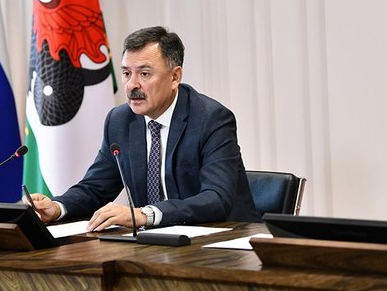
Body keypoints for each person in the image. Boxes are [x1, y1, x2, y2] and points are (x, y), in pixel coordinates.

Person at [31, 26, 260, 230]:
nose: (132, 85)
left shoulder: (211, 119)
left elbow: (216, 198)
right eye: (126, 73)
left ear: (175, 77)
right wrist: (57, 207)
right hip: (155, 243)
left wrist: (146, 215)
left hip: (222, 242)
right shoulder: (120, 121)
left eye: (144, 74)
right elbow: (96, 188)